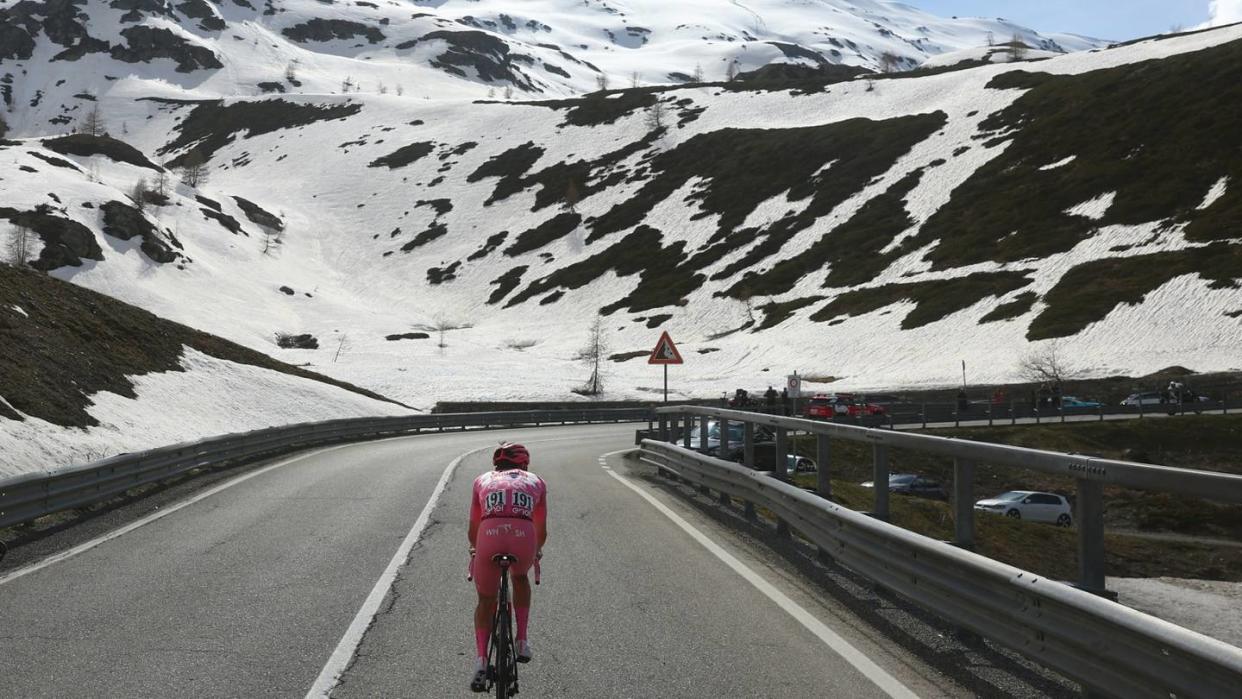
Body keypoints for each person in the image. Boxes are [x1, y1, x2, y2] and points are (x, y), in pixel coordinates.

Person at [468, 443, 548, 692]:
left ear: (496, 464)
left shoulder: (481, 480)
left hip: (489, 536)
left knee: (485, 600)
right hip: (523, 537)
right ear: (524, 463)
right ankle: (522, 640)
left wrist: (473, 547)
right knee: (520, 577)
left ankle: (481, 661)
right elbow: (541, 528)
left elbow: (473, 527)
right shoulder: (537, 482)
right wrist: (536, 551)